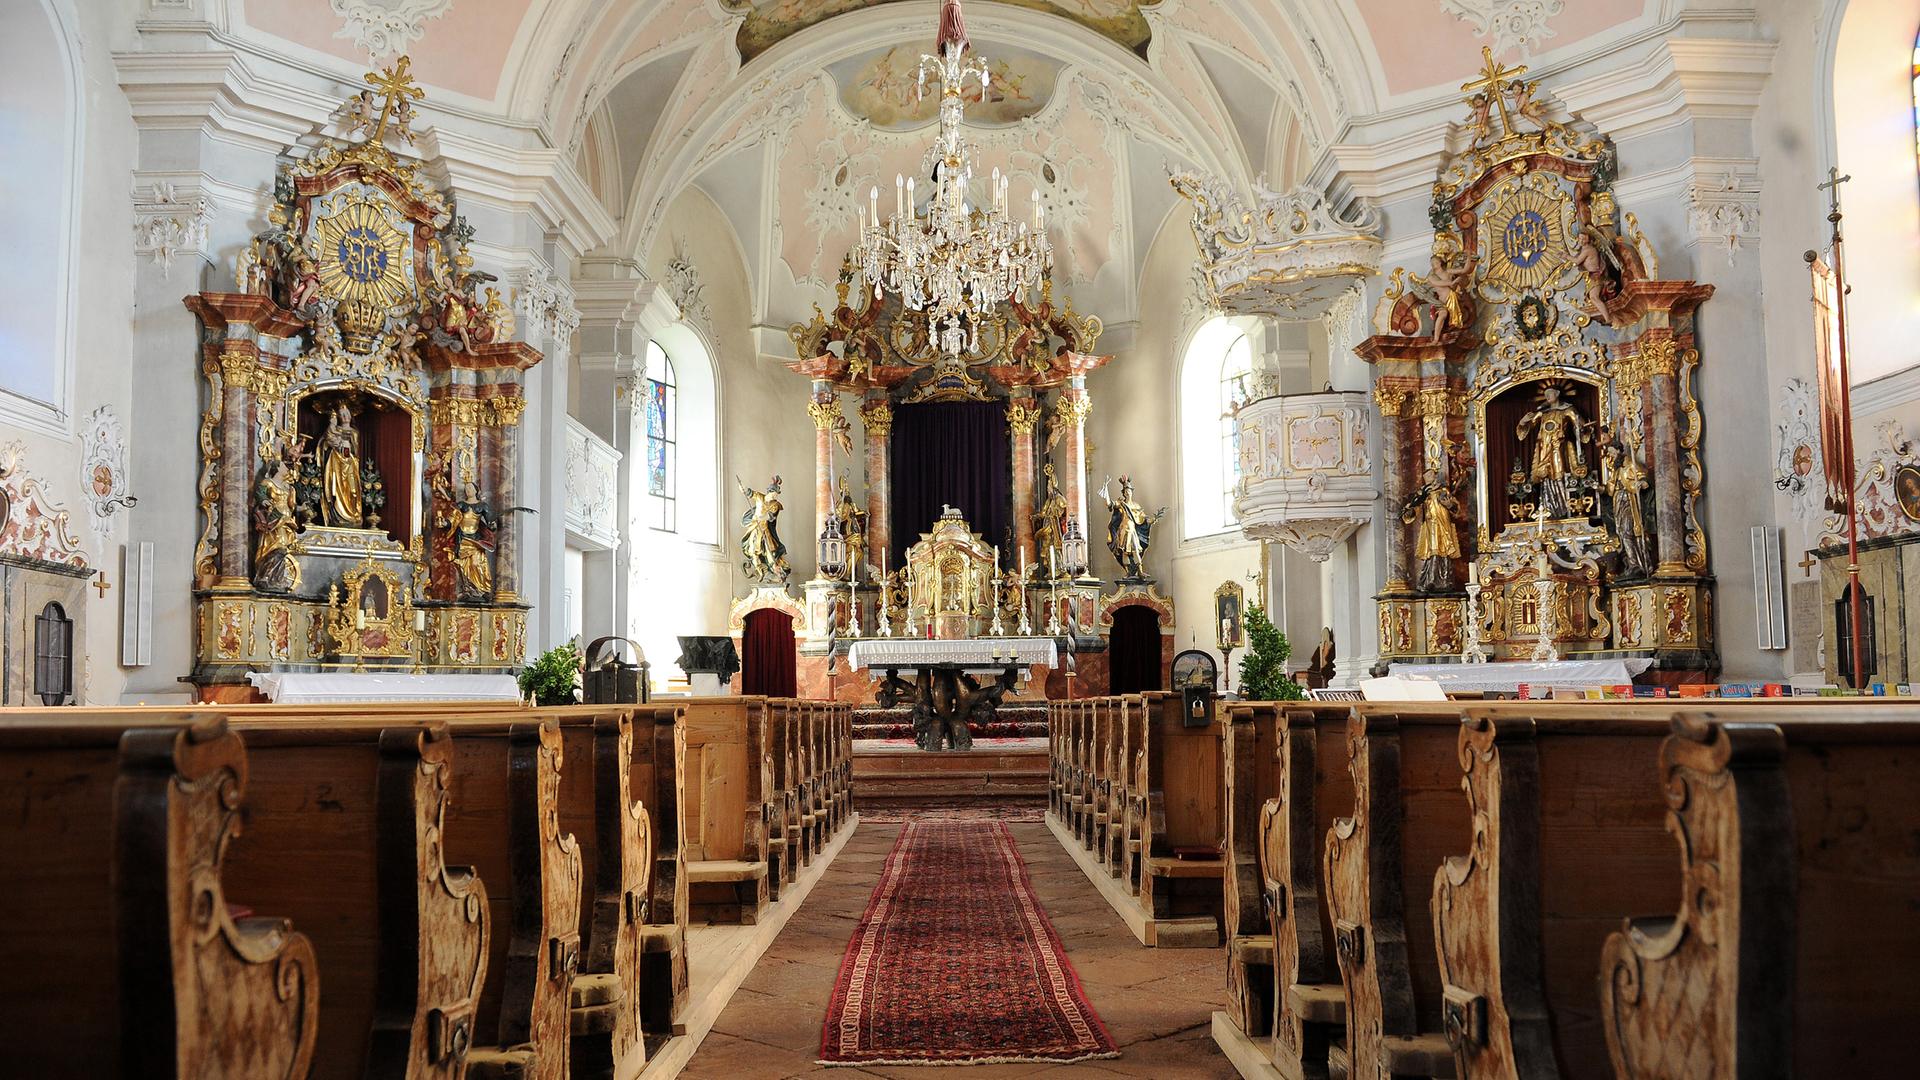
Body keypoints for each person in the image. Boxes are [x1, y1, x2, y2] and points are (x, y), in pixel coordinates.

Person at [320, 402, 364, 528]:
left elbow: (356, 451)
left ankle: (352, 513)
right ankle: (338, 515)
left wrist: (347, 447)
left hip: (350, 463)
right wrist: (332, 424)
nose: (345, 417)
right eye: (342, 415)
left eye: (347, 414)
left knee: (351, 489)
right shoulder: (334, 429)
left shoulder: (354, 432)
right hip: (336, 463)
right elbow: (327, 441)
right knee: (337, 487)